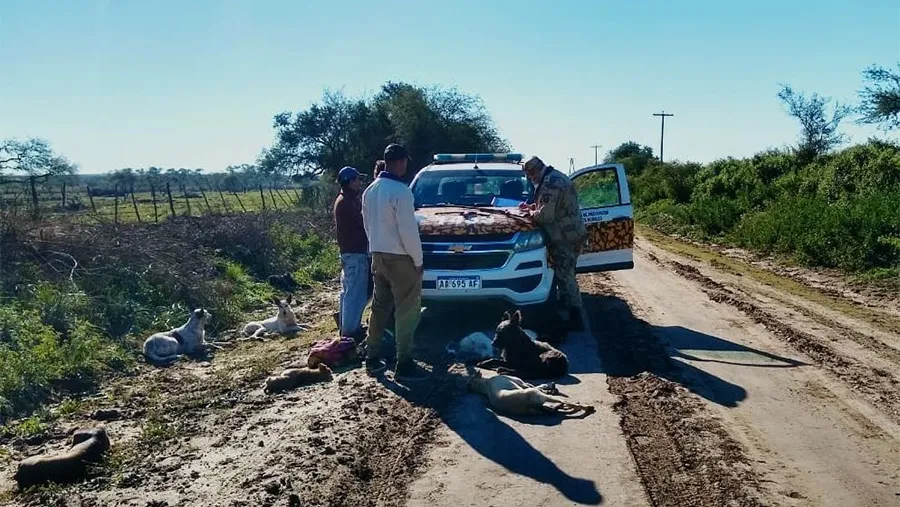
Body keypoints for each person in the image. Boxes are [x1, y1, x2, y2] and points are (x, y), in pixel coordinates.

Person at [361, 144, 427, 380]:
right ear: (400, 162)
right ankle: (404, 362)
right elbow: (408, 231)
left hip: (377, 255)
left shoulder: (370, 190)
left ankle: (372, 357)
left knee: (379, 308)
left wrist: (375, 249)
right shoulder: (401, 191)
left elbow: (367, 224)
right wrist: (418, 261)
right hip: (401, 258)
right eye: (405, 162)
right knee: (407, 309)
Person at [519, 156, 587, 332]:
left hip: (566, 237)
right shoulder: (555, 177)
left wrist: (529, 214)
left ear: (535, 172)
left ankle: (575, 317)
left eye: (530, 175)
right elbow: (551, 206)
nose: (531, 179)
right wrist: (533, 207)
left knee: (566, 275)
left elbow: (546, 215)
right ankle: (566, 308)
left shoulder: (551, 183)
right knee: (564, 273)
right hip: (569, 233)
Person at [333, 166, 370, 338]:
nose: (359, 182)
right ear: (349, 181)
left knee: (350, 292)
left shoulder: (348, 200)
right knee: (355, 294)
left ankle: (348, 327)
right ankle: (349, 332)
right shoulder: (346, 203)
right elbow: (363, 225)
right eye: (356, 179)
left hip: (352, 253)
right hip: (354, 254)